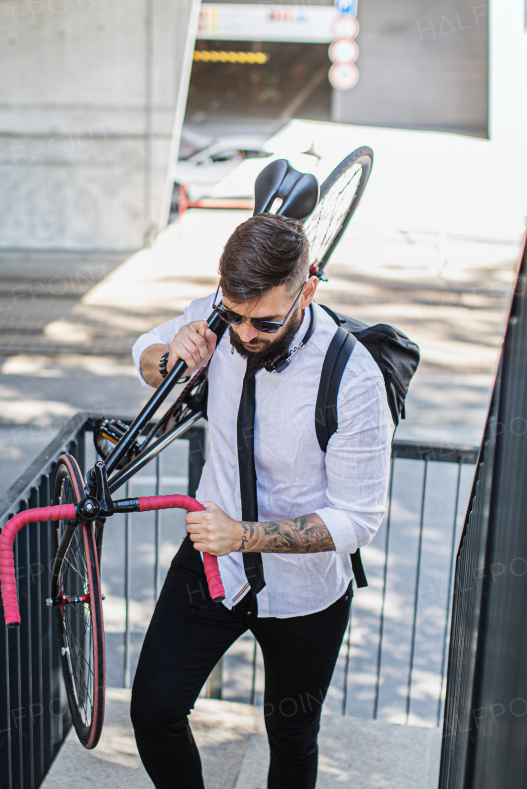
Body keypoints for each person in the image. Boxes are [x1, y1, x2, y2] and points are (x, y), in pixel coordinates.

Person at [129, 213, 394, 789]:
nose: (244, 334)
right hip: (211, 566)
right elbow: (143, 353)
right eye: (235, 315)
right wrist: (170, 358)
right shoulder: (219, 315)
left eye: (266, 320)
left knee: (292, 738)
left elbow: (359, 518)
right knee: (153, 711)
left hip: (306, 592)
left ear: (309, 289)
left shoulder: (353, 378)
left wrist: (245, 536)